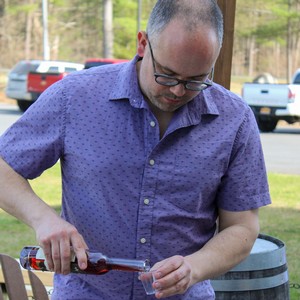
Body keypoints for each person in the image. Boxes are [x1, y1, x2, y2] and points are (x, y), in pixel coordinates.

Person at [0, 0, 271, 299]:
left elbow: (242, 227)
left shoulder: (235, 119)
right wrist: (44, 220)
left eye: (196, 80)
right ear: (143, 43)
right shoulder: (74, 97)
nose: (178, 91)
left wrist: (194, 267)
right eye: (166, 74)